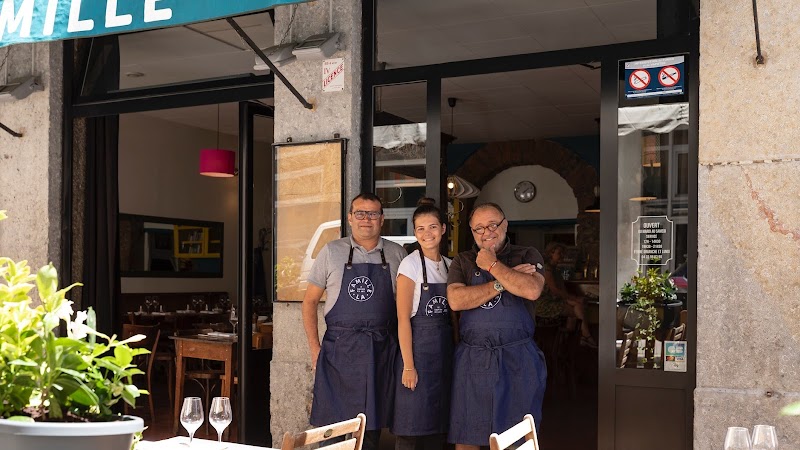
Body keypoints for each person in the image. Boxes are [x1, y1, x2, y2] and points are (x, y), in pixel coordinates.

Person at [302, 193, 407, 450]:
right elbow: (309, 302)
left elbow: (406, 309)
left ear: (382, 219)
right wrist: (315, 350)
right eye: (360, 213)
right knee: (332, 430)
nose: (366, 219)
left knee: (370, 430)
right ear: (350, 218)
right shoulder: (331, 252)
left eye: (372, 214)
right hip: (339, 352)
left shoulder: (397, 254)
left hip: (380, 352)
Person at [446, 202, 547, 450]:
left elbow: (531, 289)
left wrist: (492, 265)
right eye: (479, 228)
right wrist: (504, 282)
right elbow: (457, 300)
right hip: (473, 359)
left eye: (493, 225)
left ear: (505, 224)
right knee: (467, 435)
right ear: (472, 231)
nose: (486, 232)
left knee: (518, 437)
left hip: (518, 359)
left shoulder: (528, 254)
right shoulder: (462, 261)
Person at [392, 204, 453, 450]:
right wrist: (409, 366)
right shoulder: (410, 265)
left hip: (443, 356)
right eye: (420, 229)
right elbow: (403, 319)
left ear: (443, 229)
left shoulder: (450, 265)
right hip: (417, 355)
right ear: (415, 233)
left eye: (433, 227)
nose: (427, 233)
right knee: (411, 426)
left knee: (438, 426)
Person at [536, 242, 597, 348]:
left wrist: (573, 299)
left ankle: (571, 340)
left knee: (578, 306)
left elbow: (562, 291)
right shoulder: (547, 269)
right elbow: (555, 290)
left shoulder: (556, 270)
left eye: (563, 253)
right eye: (560, 253)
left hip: (555, 300)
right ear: (551, 253)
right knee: (575, 311)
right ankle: (578, 338)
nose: (562, 256)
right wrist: (574, 298)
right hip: (544, 303)